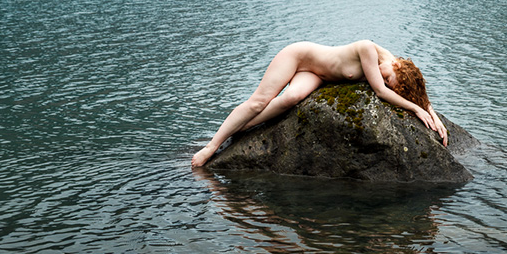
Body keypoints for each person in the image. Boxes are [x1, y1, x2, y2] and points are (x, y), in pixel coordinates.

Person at [191, 39, 448, 167]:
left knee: (291, 99)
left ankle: (238, 129)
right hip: (299, 56)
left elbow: (414, 91)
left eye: (388, 80)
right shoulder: (369, 49)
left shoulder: (392, 64)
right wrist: (415, 109)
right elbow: (381, 92)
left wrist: (431, 114)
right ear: (397, 65)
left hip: (316, 75)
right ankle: (212, 145)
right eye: (388, 76)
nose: (382, 77)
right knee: (259, 101)